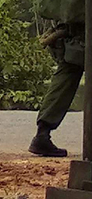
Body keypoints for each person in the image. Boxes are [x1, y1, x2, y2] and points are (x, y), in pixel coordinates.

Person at [28, 23, 84, 157]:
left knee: (67, 72)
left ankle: (42, 133)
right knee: (68, 70)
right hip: (78, 31)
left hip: (73, 31)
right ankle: (42, 135)